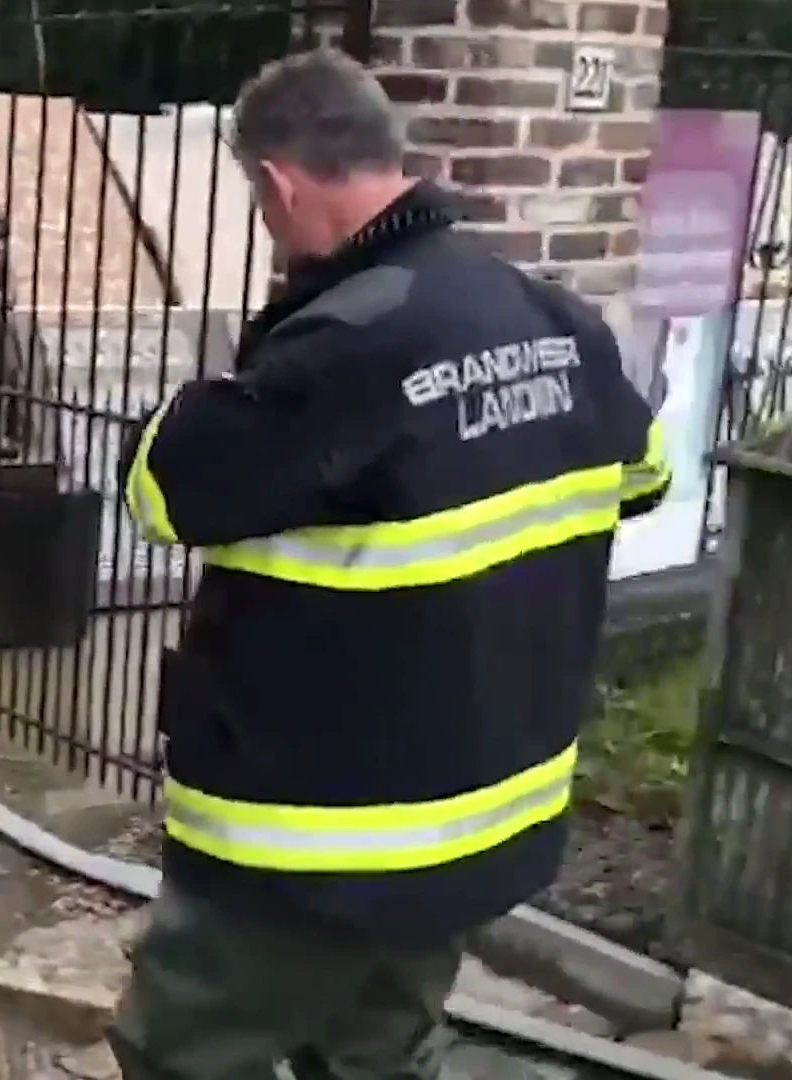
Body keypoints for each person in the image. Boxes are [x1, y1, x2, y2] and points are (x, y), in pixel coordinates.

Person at [112, 48, 671, 1080]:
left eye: (259, 203)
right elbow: (647, 476)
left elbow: (163, 489)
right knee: (380, 1052)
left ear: (280, 183)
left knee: (186, 1051)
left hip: (317, 832)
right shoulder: (554, 319)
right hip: (477, 812)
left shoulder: (343, 348)